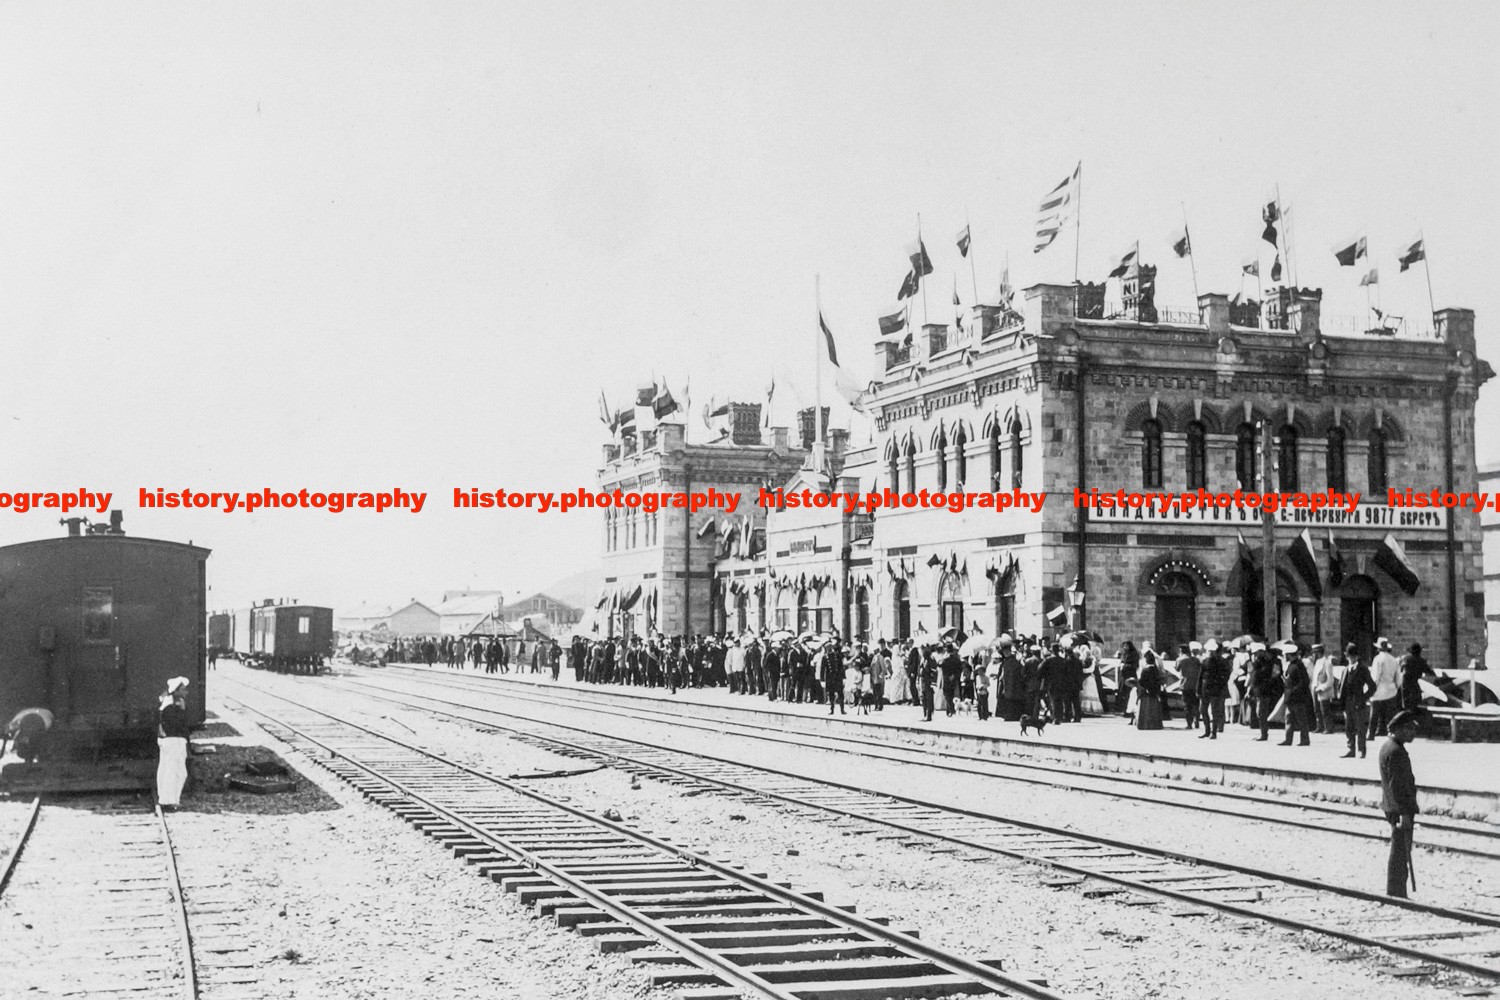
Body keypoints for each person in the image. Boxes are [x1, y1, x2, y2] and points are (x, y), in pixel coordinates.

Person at [1380, 709, 1423, 898]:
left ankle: (1396, 890)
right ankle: (1396, 891)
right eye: (1409, 729)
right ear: (1399, 729)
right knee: (1400, 851)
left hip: (1394, 807)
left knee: (1400, 849)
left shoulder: (1389, 746)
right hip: (1399, 810)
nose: (1413, 733)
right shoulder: (1396, 752)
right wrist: (1404, 814)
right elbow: (1397, 786)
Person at [157, 677, 191, 810]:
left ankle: (168, 799)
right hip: (173, 742)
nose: (186, 692)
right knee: (175, 772)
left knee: (169, 771)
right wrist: (183, 710)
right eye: (183, 690)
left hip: (170, 741)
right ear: (176, 691)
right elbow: (177, 725)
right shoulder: (171, 707)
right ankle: (169, 801)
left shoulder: (168, 704)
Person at [1340, 643, 1377, 758]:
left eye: (1353, 656)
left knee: (1360, 727)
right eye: (1349, 656)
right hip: (1347, 701)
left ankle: (1361, 749)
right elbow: (1341, 687)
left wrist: (1363, 698)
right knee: (1348, 727)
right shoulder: (1345, 670)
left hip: (1358, 701)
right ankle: (1351, 748)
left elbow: (1372, 686)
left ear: (1357, 656)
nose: (1351, 659)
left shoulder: (1362, 669)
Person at [1279, 649, 1313, 747]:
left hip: (1297, 697)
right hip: (1289, 697)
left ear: (1289, 655)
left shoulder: (1299, 665)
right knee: (1288, 719)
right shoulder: (1291, 665)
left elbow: (1304, 681)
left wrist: (1294, 690)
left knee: (1301, 719)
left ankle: (1305, 740)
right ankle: (1288, 739)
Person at [1368, 637, 1401, 739]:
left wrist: (1371, 689)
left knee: (1374, 713)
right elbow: (1398, 678)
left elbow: (1375, 676)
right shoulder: (1394, 660)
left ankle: (1371, 733)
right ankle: (1388, 732)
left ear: (1378, 648)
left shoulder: (1378, 659)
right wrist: (1396, 687)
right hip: (1391, 690)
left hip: (1379, 690)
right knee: (1389, 713)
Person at [1134, 652, 1164, 730]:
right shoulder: (1156, 670)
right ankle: (1155, 725)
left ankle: (1144, 724)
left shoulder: (1145, 670)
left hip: (1146, 692)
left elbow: (1142, 681)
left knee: (1146, 709)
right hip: (1155, 691)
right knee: (1154, 709)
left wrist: (1137, 682)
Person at [1177, 642, 1202, 730]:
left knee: (1187, 705)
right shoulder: (1196, 660)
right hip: (1195, 684)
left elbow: (1177, 668)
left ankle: (1189, 723)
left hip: (1185, 684)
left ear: (1181, 651)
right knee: (1196, 704)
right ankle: (1197, 720)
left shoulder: (1180, 659)